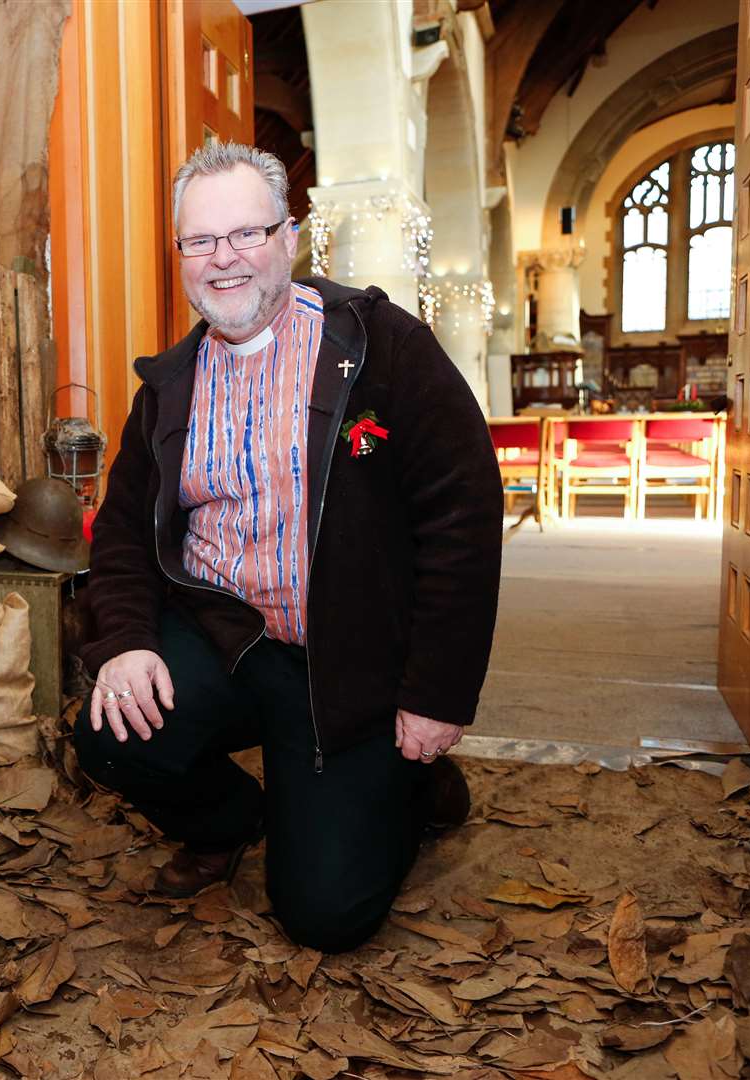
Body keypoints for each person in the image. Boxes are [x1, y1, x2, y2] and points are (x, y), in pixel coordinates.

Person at [74, 141, 502, 954]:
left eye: (246, 234)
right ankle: (238, 819)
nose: (222, 259)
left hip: (348, 663)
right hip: (226, 642)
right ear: (180, 255)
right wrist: (126, 642)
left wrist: (437, 690)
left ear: (290, 238)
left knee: (325, 917)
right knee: (111, 731)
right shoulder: (169, 385)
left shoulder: (381, 349)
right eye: (199, 241)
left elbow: (463, 518)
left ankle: (410, 783)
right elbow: (124, 531)